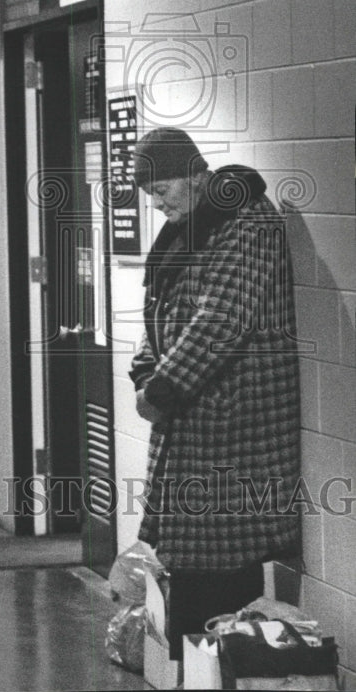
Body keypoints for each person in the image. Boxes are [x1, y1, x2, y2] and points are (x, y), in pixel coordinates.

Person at [128, 127, 301, 661]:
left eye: (162, 190)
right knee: (190, 568)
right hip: (193, 420)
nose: (157, 204)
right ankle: (193, 668)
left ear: (197, 174)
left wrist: (162, 388)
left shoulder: (248, 222)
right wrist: (143, 372)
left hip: (232, 424)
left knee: (221, 566)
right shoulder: (192, 226)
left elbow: (221, 319)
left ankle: (210, 669)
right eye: (150, 195)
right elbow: (159, 306)